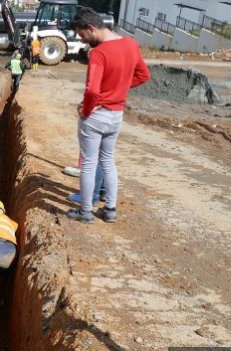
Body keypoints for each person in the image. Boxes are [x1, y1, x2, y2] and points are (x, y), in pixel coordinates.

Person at [66, 7, 150, 224]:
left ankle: (85, 212)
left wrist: (85, 111)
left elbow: (92, 91)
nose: (83, 41)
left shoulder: (99, 53)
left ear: (92, 28)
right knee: (108, 161)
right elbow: (143, 75)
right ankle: (110, 209)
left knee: (90, 163)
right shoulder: (131, 44)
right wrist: (117, 89)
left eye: (83, 36)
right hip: (116, 116)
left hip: (96, 117)